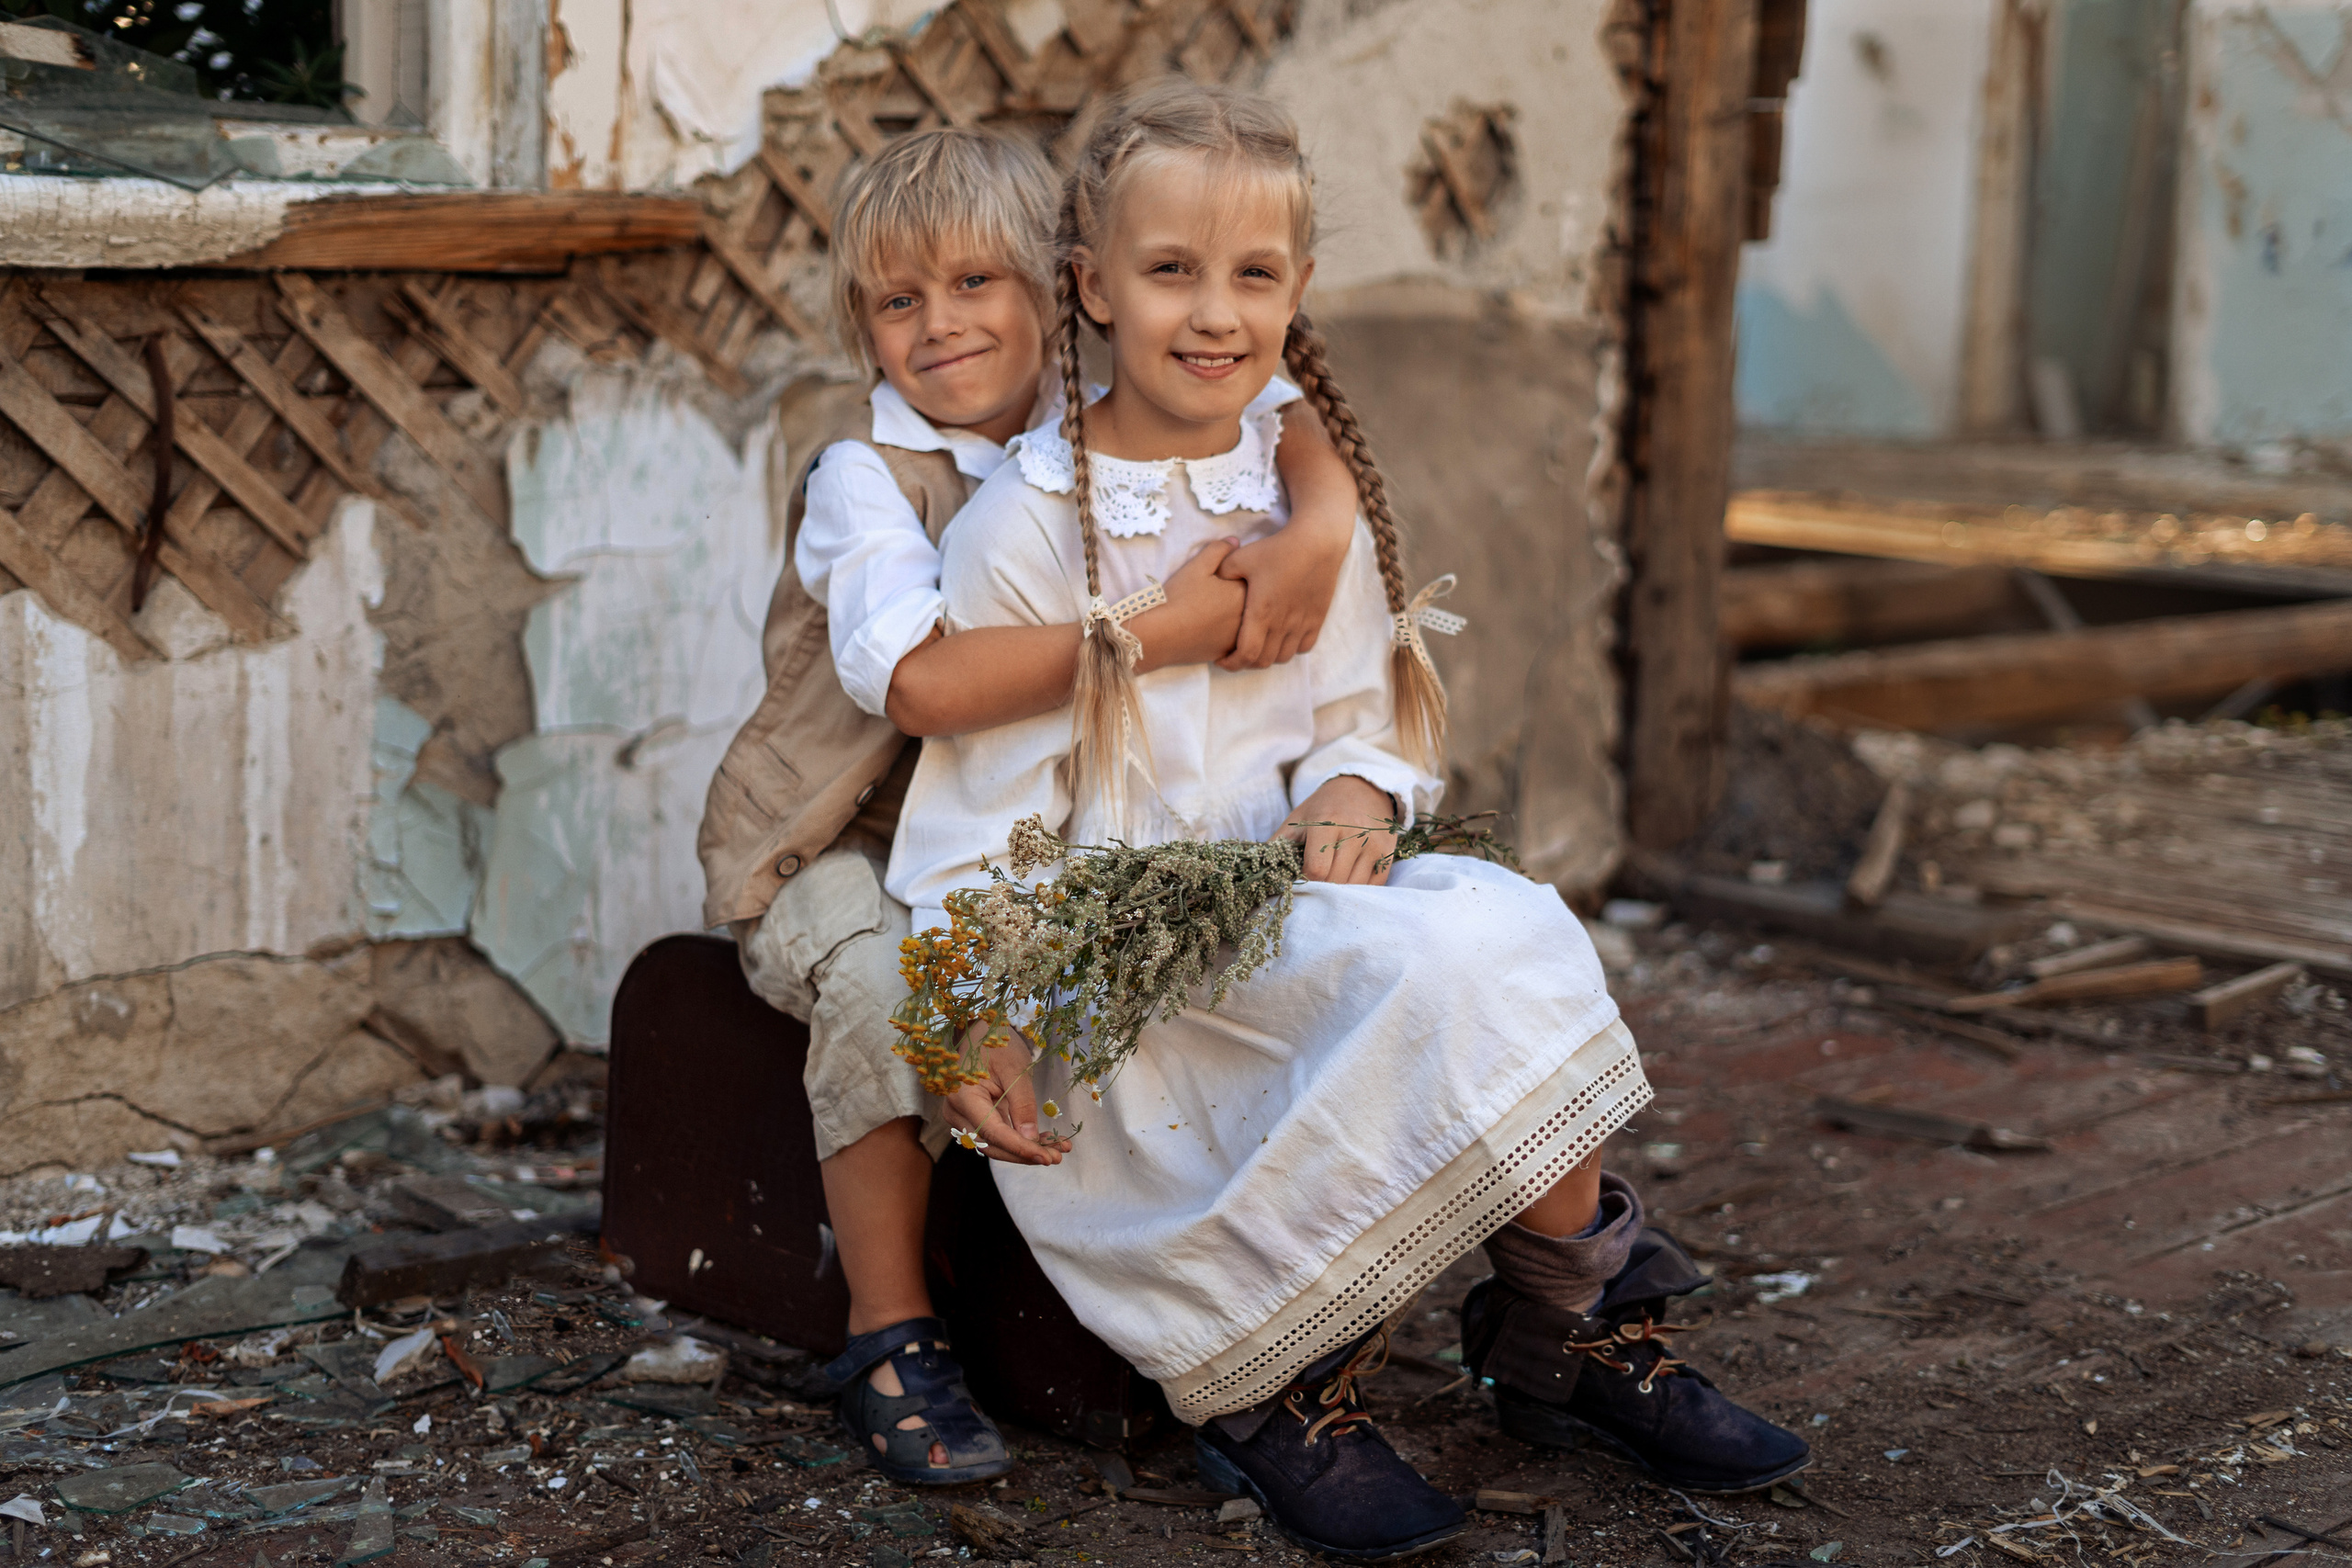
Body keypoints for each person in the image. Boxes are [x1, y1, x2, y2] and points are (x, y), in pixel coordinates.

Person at [885, 82, 1809, 1559]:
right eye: (1171, 271)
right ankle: (1279, 1386)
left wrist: (1356, 790)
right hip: (1123, 959)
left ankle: (1570, 1318)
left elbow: (1357, 714)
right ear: (1092, 287)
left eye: (1254, 275)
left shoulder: (1297, 506)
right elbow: (977, 830)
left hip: (1288, 891)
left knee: (1505, 921)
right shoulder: (1024, 531)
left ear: (1299, 291)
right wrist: (975, 1006)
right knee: (1405, 975)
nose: (1214, 313)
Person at [695, 124, 1366, 1489]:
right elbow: (922, 692)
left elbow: (1289, 397)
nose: (940, 326)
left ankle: (1233, 1293)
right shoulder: (863, 482)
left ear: (1063, 289)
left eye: (975, 285)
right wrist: (1164, 629)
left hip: (1034, 836)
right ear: (863, 325)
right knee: (896, 985)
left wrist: (1326, 518)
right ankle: (890, 1331)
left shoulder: (1108, 442)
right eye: (899, 301)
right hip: (852, 843)